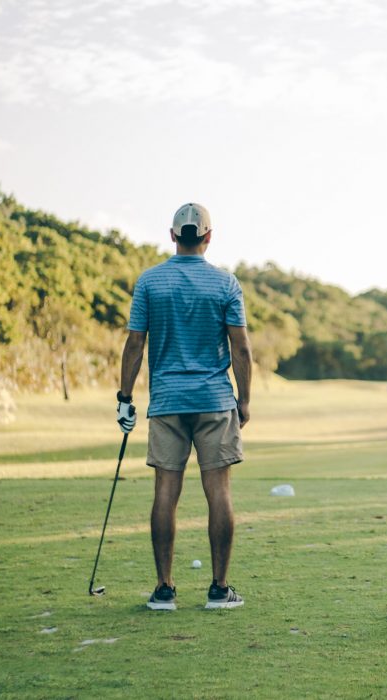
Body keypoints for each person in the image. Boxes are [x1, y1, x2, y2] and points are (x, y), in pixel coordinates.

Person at [116, 202, 253, 611]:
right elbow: (241, 347)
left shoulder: (149, 282)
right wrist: (244, 400)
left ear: (173, 235)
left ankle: (164, 590)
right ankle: (219, 589)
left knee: (165, 493)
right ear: (209, 236)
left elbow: (135, 344)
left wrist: (125, 398)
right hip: (214, 401)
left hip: (167, 402)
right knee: (219, 493)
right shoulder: (226, 284)